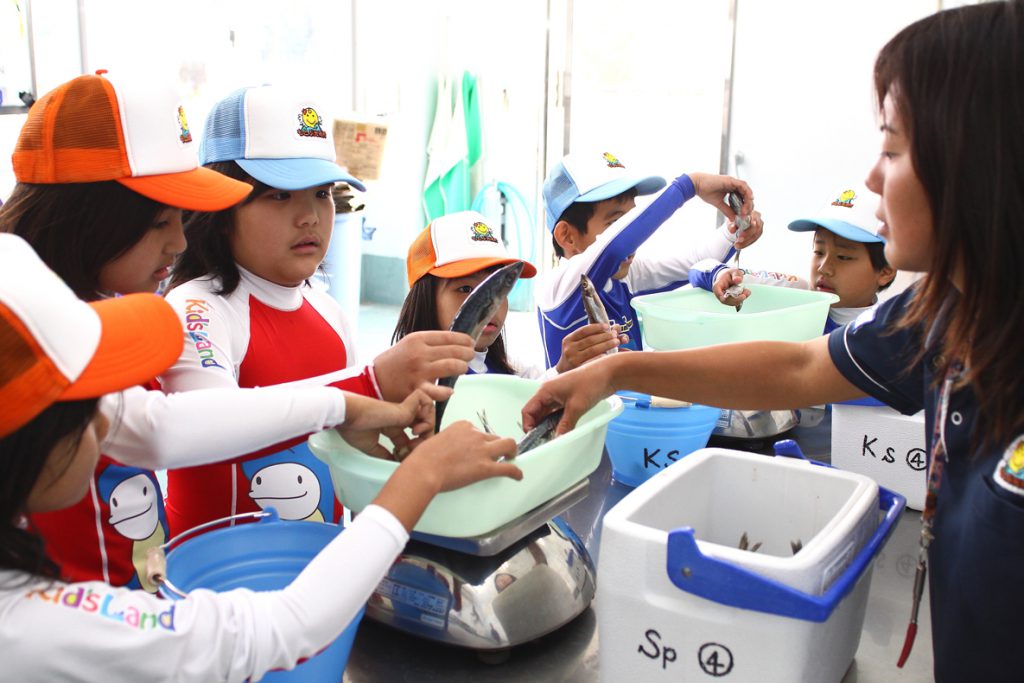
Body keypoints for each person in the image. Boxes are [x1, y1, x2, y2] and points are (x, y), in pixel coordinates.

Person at [522, 3, 1024, 680]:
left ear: (978, 160)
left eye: (894, 148)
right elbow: (797, 366)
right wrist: (612, 372)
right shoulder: (940, 318)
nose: (873, 177)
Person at [0, 72, 474, 591]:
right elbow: (165, 429)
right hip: (150, 607)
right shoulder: (172, 311)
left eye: (322, 194)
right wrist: (365, 391)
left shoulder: (99, 316)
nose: (179, 241)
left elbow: (137, 423)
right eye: (161, 220)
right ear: (93, 216)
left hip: (156, 603)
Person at [0, 232, 520, 681]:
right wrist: (421, 476)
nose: (111, 424)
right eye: (91, 409)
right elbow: (287, 627)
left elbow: (158, 424)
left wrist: (348, 403)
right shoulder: (36, 629)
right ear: (25, 446)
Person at [160, 84, 474, 535]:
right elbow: (207, 423)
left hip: (316, 574)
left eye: (323, 193)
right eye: (279, 195)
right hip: (221, 586)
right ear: (220, 205)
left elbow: (338, 448)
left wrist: (396, 420)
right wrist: (369, 385)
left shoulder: (330, 313)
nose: (310, 216)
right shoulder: (197, 308)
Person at [535, 151, 764, 365]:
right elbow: (615, 247)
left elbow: (696, 260)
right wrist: (690, 185)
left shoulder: (626, 276)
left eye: (632, 219)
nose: (635, 242)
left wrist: (737, 229)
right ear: (567, 236)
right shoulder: (557, 286)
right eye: (615, 223)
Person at [394, 210, 623, 378]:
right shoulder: (411, 382)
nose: (489, 306)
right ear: (425, 300)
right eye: (465, 289)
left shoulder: (511, 369)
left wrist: (569, 368)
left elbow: (534, 396)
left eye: (498, 290)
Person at [690, 184, 896, 333]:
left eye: (843, 256)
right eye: (819, 252)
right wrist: (721, 276)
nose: (824, 268)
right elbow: (700, 268)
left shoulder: (890, 340)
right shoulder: (796, 292)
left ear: (885, 272)